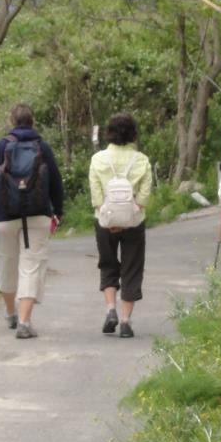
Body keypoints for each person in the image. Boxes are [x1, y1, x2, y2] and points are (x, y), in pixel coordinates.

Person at [0, 103, 64, 339]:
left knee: (6, 264)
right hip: (37, 215)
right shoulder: (42, 147)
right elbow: (56, 181)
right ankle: (25, 323)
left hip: (3, 216)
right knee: (32, 266)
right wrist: (58, 211)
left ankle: (10, 313)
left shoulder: (1, 146)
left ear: (11, 121)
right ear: (32, 121)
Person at [89, 112, 153, 338]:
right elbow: (144, 195)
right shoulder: (142, 160)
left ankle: (110, 310)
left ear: (109, 133)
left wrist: (108, 215)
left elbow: (96, 195)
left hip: (104, 221)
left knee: (107, 264)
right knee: (131, 268)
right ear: (133, 134)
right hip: (134, 222)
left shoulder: (98, 159)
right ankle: (125, 321)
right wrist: (129, 215)